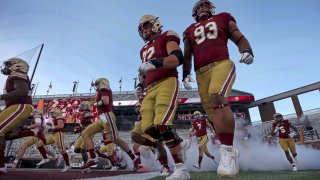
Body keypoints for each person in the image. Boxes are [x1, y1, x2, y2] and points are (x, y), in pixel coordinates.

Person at [182, 0, 254, 177]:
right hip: (200, 73)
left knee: (217, 96)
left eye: (205, 5)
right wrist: (185, 73)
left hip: (221, 64)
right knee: (212, 114)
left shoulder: (223, 18)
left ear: (212, 8)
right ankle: (228, 149)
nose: (202, 8)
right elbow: (187, 55)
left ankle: (228, 152)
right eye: (198, 7)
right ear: (194, 13)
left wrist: (247, 49)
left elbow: (238, 35)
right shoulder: (190, 29)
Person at [137, 14, 191, 180]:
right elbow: (143, 73)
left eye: (146, 25)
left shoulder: (167, 35)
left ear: (156, 24)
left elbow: (177, 58)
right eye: (141, 28)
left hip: (166, 81)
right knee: (147, 128)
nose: (144, 30)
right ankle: (179, 142)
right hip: (150, 88)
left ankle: (181, 169)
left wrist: (156, 63)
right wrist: (140, 85)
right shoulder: (143, 50)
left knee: (162, 123)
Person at [80, 78, 139, 171]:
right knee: (85, 134)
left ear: (101, 83)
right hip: (102, 117)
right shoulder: (102, 90)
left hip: (107, 115)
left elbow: (105, 101)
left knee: (115, 139)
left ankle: (135, 159)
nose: (95, 86)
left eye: (96, 84)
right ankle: (93, 157)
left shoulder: (103, 88)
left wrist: (95, 103)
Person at [0, 58, 34, 175]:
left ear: (18, 65)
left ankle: (0, 165)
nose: (7, 67)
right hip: (14, 106)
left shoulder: (17, 74)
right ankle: (30, 132)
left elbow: (22, 91)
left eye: (9, 64)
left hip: (20, 105)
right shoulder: (14, 76)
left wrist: (1, 97)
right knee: (4, 134)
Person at [36, 108, 71, 172]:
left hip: (58, 134)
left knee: (62, 150)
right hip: (54, 135)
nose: (51, 114)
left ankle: (68, 165)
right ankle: (45, 158)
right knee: (39, 144)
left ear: (56, 112)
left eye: (52, 113)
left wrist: (52, 127)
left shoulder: (59, 117)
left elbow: (61, 126)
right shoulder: (55, 118)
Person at [73, 101, 94, 173]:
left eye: (82, 105)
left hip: (88, 132)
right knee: (76, 149)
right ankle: (91, 150)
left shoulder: (88, 113)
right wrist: (78, 128)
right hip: (83, 133)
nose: (80, 106)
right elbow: (82, 125)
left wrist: (81, 128)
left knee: (82, 149)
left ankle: (86, 166)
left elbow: (92, 124)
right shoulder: (82, 114)